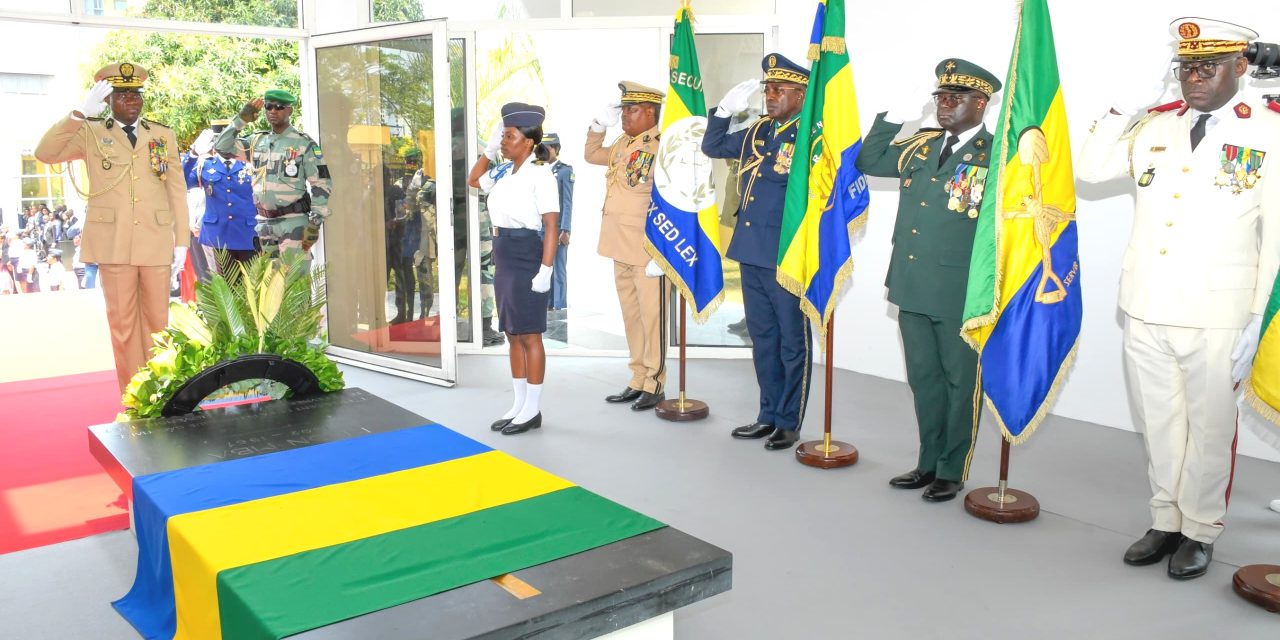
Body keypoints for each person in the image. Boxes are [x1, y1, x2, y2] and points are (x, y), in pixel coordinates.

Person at [1078, 17, 1280, 580]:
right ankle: (1165, 519)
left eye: (1209, 66)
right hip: (1145, 302)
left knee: (1211, 429)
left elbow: (1277, 243)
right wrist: (1125, 107)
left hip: (1219, 313)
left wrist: (1256, 324)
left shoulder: (1269, 132)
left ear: (1241, 68)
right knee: (1159, 422)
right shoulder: (1154, 128)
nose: (1195, 77)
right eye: (1186, 66)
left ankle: (1200, 529)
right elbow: (1091, 171)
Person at [855, 58, 1000, 501]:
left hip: (960, 290)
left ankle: (951, 470)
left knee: (961, 382)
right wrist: (895, 117)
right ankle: (927, 461)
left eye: (956, 98)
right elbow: (869, 159)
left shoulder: (998, 154)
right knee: (924, 379)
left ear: (981, 104)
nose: (945, 105)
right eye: (940, 97)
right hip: (912, 281)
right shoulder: (920, 146)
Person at [34, 62, 188, 393]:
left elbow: (176, 189)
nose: (132, 100)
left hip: (156, 239)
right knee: (123, 324)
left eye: (136, 94)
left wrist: (182, 241)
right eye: (122, 95)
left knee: (159, 322)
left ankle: (163, 389)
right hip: (113, 241)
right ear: (107, 100)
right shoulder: (90, 131)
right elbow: (44, 153)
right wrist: (78, 114)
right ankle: (136, 393)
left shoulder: (161, 134)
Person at [702, 53, 813, 451]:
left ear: (802, 94)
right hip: (751, 252)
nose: (770, 96)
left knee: (790, 342)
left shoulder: (809, 139)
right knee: (763, 338)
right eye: (768, 89)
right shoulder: (756, 132)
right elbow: (712, 145)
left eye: (780, 90)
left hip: (786, 256)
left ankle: (788, 419)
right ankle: (766, 414)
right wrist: (724, 113)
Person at [467, 103, 560, 435]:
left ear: (528, 142)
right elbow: (473, 179)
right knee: (511, 332)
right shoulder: (504, 172)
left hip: (527, 253)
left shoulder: (542, 174)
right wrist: (489, 150)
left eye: (509, 136)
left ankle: (533, 409)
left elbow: (551, 225)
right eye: (502, 136)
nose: (504, 142)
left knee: (530, 334)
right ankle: (519, 404)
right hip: (503, 253)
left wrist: (546, 269)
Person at [585, 81, 668, 411]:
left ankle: (655, 382)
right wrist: (597, 126)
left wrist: (661, 251)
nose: (624, 117)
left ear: (650, 112)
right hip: (619, 244)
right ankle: (637, 377)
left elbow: (670, 201)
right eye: (622, 111)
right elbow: (591, 155)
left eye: (630, 111)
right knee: (632, 316)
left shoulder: (661, 146)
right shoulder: (623, 143)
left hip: (646, 248)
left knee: (652, 318)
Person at [214, 89, 330, 260]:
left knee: (295, 282)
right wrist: (241, 120)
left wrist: (314, 224)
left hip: (293, 223)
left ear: (290, 110)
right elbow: (221, 147)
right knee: (270, 284)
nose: (273, 111)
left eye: (279, 107)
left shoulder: (304, 144)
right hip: (265, 225)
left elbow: (321, 184)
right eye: (269, 107)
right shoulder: (256, 141)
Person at [184, 125, 258, 274]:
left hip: (247, 234)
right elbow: (181, 181)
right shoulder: (204, 166)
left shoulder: (250, 166)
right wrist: (193, 154)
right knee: (223, 286)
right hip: (217, 235)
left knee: (251, 287)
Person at [543, 132, 575, 311]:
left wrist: (565, 229)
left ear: (556, 149)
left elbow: (567, 202)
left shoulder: (564, 171)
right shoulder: (537, 170)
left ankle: (559, 307)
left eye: (548, 147)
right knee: (544, 269)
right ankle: (546, 305)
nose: (544, 151)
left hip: (557, 228)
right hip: (540, 227)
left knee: (558, 269)